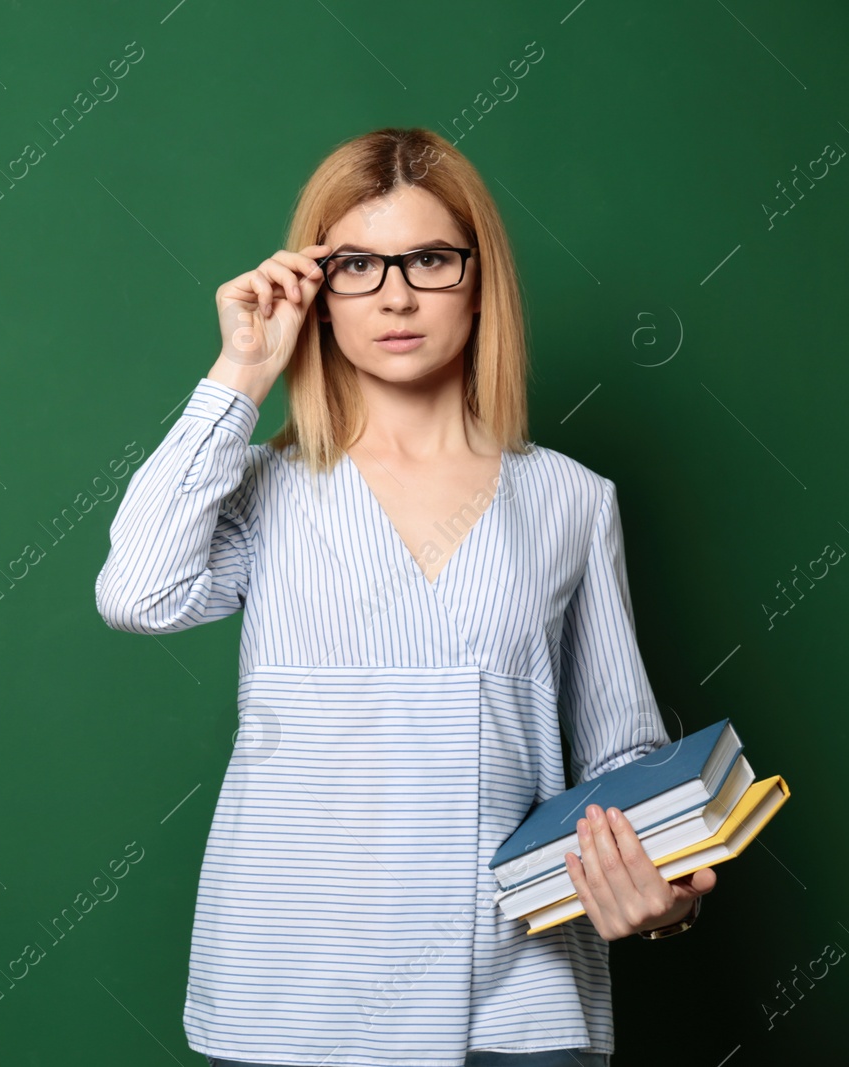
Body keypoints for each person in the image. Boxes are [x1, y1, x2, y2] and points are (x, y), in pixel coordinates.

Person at [93, 127, 716, 1067]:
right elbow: (136, 590)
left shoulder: (571, 499)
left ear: (478, 278)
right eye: (357, 265)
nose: (395, 293)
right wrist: (241, 376)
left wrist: (663, 890)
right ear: (317, 289)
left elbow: (617, 754)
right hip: (292, 996)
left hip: (516, 1003)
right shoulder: (267, 488)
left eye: (429, 258)